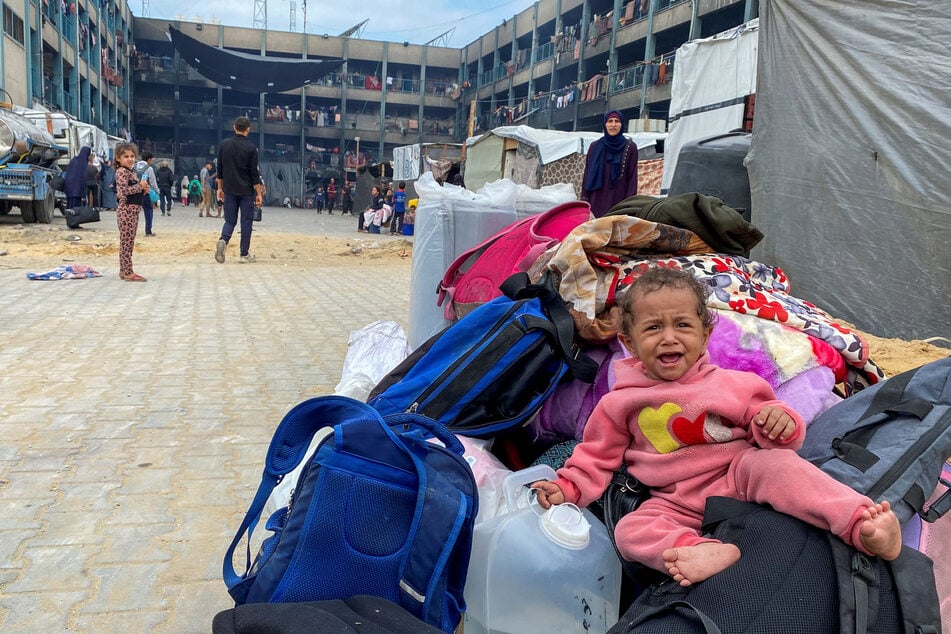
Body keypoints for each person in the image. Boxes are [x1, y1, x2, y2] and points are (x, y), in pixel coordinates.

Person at [531, 267, 902, 587]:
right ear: (629, 342)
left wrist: (778, 423)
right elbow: (595, 458)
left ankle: (860, 524)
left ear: (705, 335)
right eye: (653, 327)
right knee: (631, 532)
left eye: (682, 325)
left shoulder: (733, 384)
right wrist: (567, 487)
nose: (669, 337)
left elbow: (775, 430)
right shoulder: (618, 403)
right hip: (674, 499)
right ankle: (702, 551)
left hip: (738, 473)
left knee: (781, 467)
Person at [215, 116, 265, 264]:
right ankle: (244, 254)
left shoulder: (224, 145)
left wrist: (219, 188)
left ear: (234, 127)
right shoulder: (251, 148)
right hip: (246, 192)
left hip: (229, 189)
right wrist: (258, 193)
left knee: (229, 220)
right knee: (246, 222)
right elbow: (254, 173)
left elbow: (220, 168)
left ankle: (223, 239)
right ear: (248, 130)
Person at [581, 110, 639, 217]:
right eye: (610, 121)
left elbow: (632, 178)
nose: (613, 125)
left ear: (622, 124)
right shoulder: (594, 146)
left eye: (617, 121)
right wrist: (584, 200)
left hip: (619, 202)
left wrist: (630, 205)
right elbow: (587, 174)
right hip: (595, 200)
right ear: (605, 124)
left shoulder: (630, 147)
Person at [113, 142, 149, 281]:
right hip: (127, 211)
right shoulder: (122, 172)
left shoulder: (130, 172)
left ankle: (124, 270)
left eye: (132, 156)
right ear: (118, 158)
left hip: (133, 211)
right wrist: (140, 186)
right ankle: (128, 272)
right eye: (126, 156)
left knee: (127, 242)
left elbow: (133, 191)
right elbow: (122, 192)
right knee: (127, 243)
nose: (130, 159)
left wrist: (143, 190)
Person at [135, 151, 158, 237]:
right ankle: (148, 231)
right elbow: (152, 182)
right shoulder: (149, 168)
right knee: (148, 211)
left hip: (134, 192)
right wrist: (156, 191)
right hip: (145, 192)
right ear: (149, 159)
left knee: (133, 212)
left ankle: (131, 230)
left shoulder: (134, 166)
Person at [64, 146, 92, 211]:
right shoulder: (83, 163)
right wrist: (83, 195)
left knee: (69, 208)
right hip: (78, 191)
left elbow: (67, 173)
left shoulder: (73, 160)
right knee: (76, 211)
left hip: (69, 188)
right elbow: (83, 179)